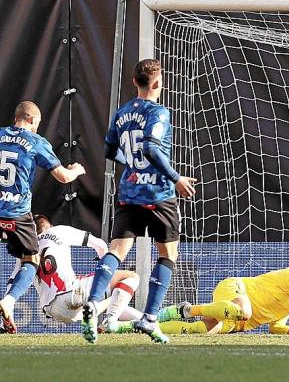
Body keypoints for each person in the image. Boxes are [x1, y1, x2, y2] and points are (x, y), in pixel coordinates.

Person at [81, 59, 197, 344]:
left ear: (134, 82)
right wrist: (176, 178)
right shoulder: (159, 112)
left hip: (129, 192)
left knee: (117, 250)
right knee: (168, 255)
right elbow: (150, 148)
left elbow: (110, 149)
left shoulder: (121, 113)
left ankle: (95, 302)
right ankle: (149, 318)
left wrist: (133, 167)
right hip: (158, 194)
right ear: (157, 83)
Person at [0, 101, 86, 333]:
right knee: (30, 259)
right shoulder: (36, 142)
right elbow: (63, 177)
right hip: (17, 213)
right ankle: (8, 302)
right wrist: (77, 169)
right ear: (32, 120)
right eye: (38, 123)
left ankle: (4, 313)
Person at [149, 253, 289, 336]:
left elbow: (275, 328)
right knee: (244, 310)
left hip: (237, 321)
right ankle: (187, 310)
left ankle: (143, 327)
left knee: (200, 330)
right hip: (236, 289)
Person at [13, 214, 141, 329]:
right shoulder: (58, 230)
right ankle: (110, 321)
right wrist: (105, 269)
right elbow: (100, 244)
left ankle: (143, 319)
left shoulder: (27, 249)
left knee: (114, 301)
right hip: (71, 292)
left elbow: (14, 281)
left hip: (51, 309)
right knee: (130, 277)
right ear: (50, 226)